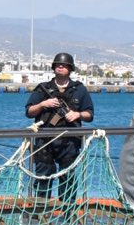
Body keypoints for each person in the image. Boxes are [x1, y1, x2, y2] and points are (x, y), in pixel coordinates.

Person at [24, 52, 94, 197]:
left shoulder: (79, 90)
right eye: (58, 65)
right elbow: (29, 111)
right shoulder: (43, 88)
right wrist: (44, 104)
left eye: (64, 65)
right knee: (43, 177)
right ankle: (40, 213)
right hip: (45, 141)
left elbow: (90, 114)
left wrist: (77, 114)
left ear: (70, 69)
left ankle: (68, 213)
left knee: (68, 179)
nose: (60, 67)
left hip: (69, 141)